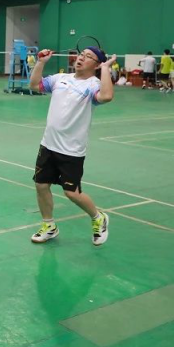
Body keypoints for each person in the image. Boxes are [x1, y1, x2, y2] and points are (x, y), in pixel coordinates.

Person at [28, 46, 116, 247]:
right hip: (48, 144)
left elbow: (106, 96)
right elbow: (34, 85)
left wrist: (106, 69)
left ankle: (98, 217)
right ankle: (49, 226)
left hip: (71, 150)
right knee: (41, 185)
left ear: (96, 65)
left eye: (88, 57)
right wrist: (41, 62)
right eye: (81, 54)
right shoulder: (60, 79)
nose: (81, 58)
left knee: (72, 193)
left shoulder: (93, 85)